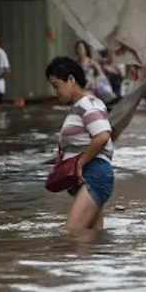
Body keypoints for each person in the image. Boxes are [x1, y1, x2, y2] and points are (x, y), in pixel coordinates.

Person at [45, 56, 115, 231]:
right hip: (89, 176)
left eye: (56, 86)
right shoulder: (77, 108)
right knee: (93, 238)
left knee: (72, 234)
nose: (56, 92)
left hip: (94, 175)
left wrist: (80, 162)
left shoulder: (88, 104)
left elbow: (102, 135)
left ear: (71, 79)